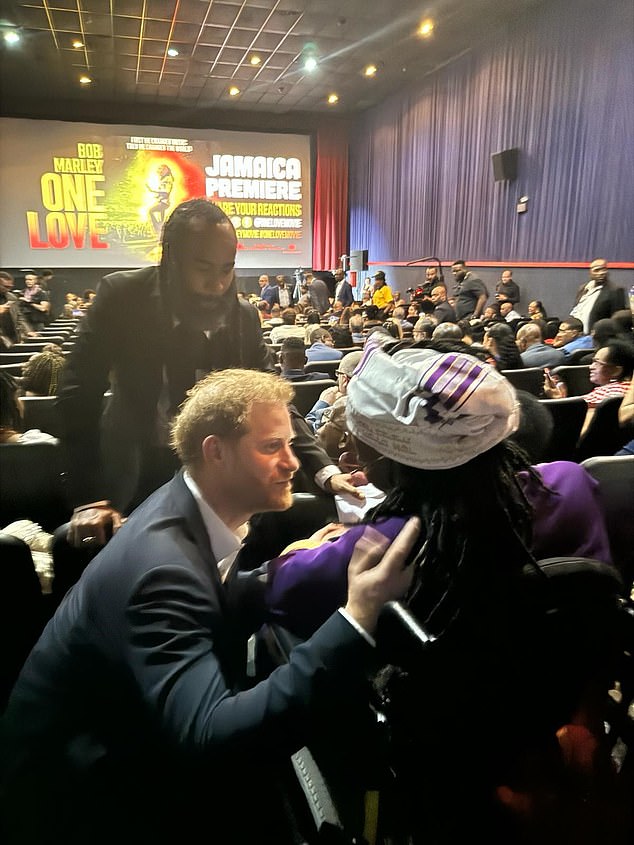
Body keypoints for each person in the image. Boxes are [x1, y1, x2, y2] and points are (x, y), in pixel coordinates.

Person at [1, 367, 420, 845]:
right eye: (271, 447)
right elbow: (213, 736)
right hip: (76, 800)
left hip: (116, 741)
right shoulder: (163, 569)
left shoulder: (186, 502)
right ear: (215, 451)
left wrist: (279, 570)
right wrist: (357, 618)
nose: (291, 463)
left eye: (289, 444)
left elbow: (208, 598)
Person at [265, 335, 618, 841]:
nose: (347, 443)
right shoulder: (571, 483)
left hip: (437, 733)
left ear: (390, 455)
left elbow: (281, 592)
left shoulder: (387, 542)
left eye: (359, 433)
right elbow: (593, 606)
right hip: (546, 704)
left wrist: (299, 548)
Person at [56, 199, 362, 550]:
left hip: (221, 474)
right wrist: (89, 497)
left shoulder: (243, 316)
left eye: (227, 269)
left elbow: (273, 401)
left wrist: (326, 471)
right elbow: (78, 393)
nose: (217, 284)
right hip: (135, 474)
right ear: (170, 257)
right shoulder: (121, 296)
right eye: (203, 268)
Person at [543, 338, 634, 436]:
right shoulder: (627, 392)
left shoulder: (610, 395)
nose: (591, 367)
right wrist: (561, 399)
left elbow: (580, 427)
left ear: (617, 371)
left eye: (597, 363)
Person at [570, 258, 627, 333]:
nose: (601, 273)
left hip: (595, 335)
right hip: (576, 333)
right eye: (597, 270)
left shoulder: (615, 290)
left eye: (604, 269)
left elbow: (617, 319)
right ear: (590, 272)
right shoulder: (583, 288)